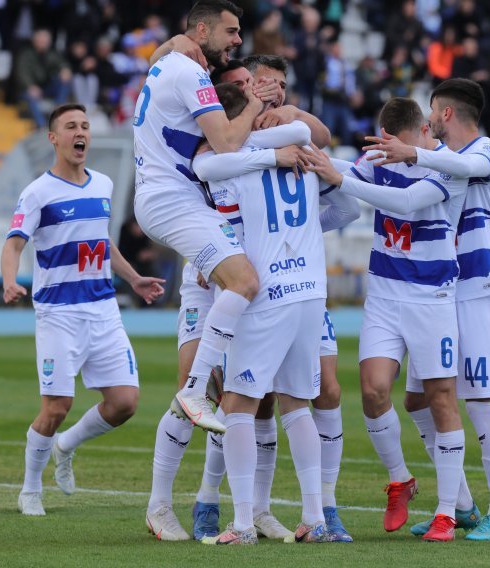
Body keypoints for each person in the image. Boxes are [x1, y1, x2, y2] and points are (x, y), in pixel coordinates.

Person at [143, 61, 314, 542]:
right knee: (193, 388)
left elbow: (314, 130)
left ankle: (243, 507)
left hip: (254, 278)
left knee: (256, 400)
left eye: (252, 86)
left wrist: (281, 121)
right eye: (239, 88)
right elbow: (206, 167)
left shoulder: (264, 134)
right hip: (208, 279)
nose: (247, 93)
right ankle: (160, 504)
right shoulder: (213, 138)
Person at [307, 98, 470, 542]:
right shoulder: (378, 155)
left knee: (439, 398)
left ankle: (446, 512)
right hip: (384, 295)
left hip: (431, 297)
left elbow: (407, 201)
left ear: (419, 134)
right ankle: (400, 479)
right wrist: (315, 157)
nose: (387, 150)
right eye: (383, 142)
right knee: (374, 391)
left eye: (394, 143)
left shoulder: (450, 166)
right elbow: (348, 174)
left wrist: (340, 178)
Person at [362, 79, 490, 540]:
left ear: (445, 114)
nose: (426, 122)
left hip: (479, 290)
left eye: (431, 112)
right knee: (417, 399)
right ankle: (462, 505)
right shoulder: (437, 162)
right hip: (440, 292)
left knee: (481, 402)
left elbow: (463, 166)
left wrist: (415, 154)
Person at [1, 104, 165, 516]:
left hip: (103, 309)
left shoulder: (104, 184)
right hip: (59, 313)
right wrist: (8, 279)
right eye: (71, 126)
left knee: (125, 402)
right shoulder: (38, 192)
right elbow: (14, 242)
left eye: (86, 126)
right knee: (56, 407)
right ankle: (30, 489)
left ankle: (66, 445)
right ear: (53, 138)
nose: (81, 133)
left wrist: (132, 278)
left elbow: (101, 242)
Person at [195, 84, 335, 545]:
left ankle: (239, 525)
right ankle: (315, 519)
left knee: (238, 404)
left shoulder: (237, 159)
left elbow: (205, 164)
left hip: (268, 293)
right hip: (312, 289)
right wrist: (293, 119)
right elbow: (345, 195)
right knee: (297, 404)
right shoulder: (304, 144)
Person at [132, 0, 278, 433]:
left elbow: (161, 58)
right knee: (246, 282)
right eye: (230, 32)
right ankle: (195, 387)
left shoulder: (171, 62)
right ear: (201, 30)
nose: (237, 41)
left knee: (243, 285)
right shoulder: (192, 72)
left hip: (172, 200)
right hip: (172, 199)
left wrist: (174, 42)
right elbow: (228, 143)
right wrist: (254, 104)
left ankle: (201, 382)